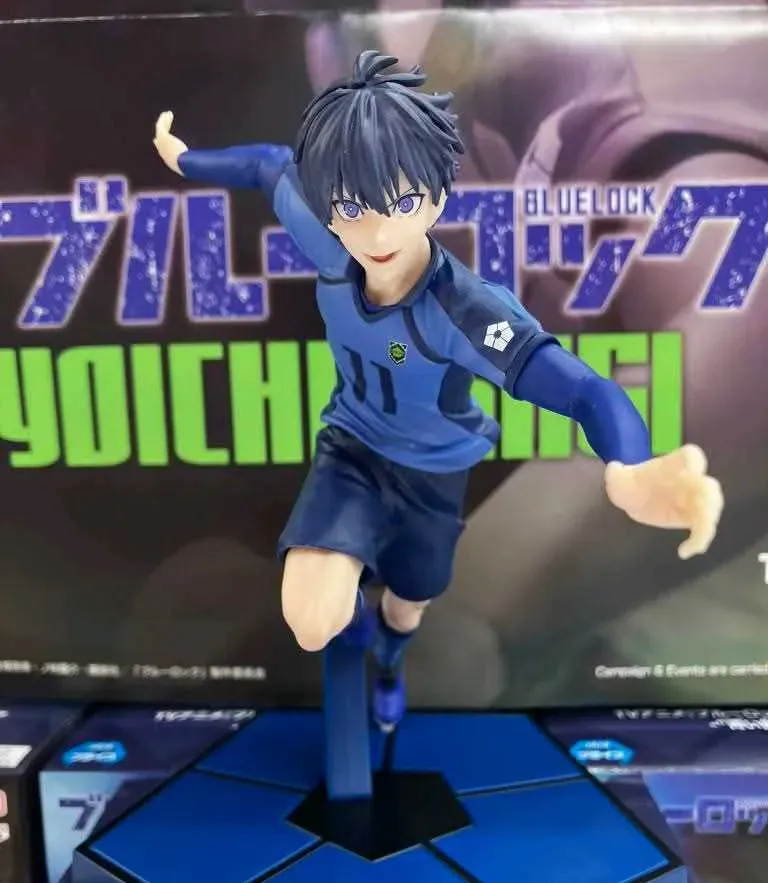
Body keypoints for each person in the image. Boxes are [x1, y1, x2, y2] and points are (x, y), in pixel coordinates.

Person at [153, 49, 723, 731]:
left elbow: (581, 389)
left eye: (401, 202)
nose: (378, 231)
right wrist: (187, 160)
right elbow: (269, 165)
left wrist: (629, 466)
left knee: (409, 604)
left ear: (436, 194)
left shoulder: (465, 310)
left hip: (434, 474)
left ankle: (390, 659)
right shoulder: (331, 244)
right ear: (330, 207)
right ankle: (352, 604)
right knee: (311, 620)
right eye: (353, 207)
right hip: (353, 450)